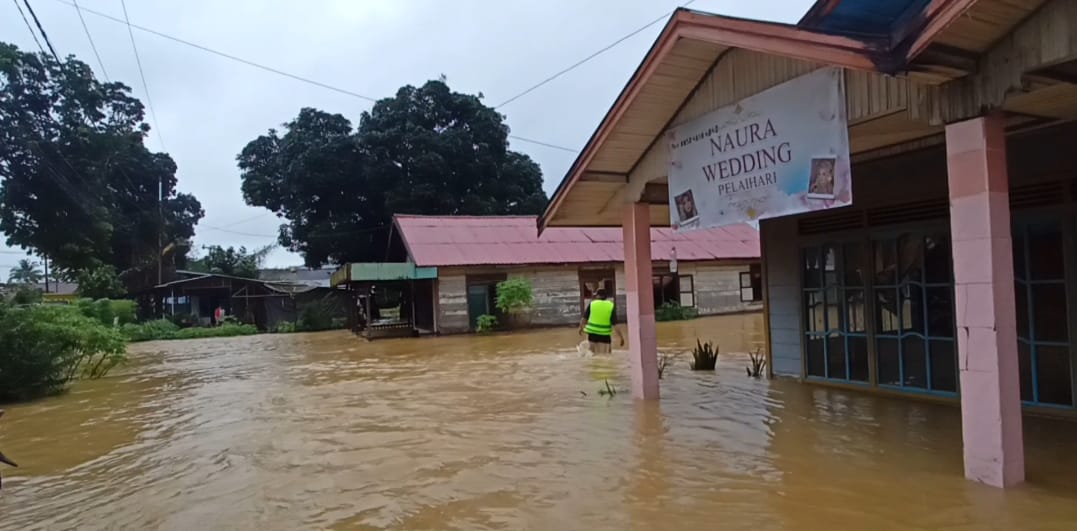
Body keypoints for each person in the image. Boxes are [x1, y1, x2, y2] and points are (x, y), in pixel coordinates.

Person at [578, 288, 624, 354]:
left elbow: (584, 319)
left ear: (598, 296)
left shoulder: (592, 304)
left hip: (592, 335)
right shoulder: (610, 306)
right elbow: (615, 324)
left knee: (592, 355)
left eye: (596, 295)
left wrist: (580, 327)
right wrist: (621, 337)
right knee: (606, 355)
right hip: (605, 336)